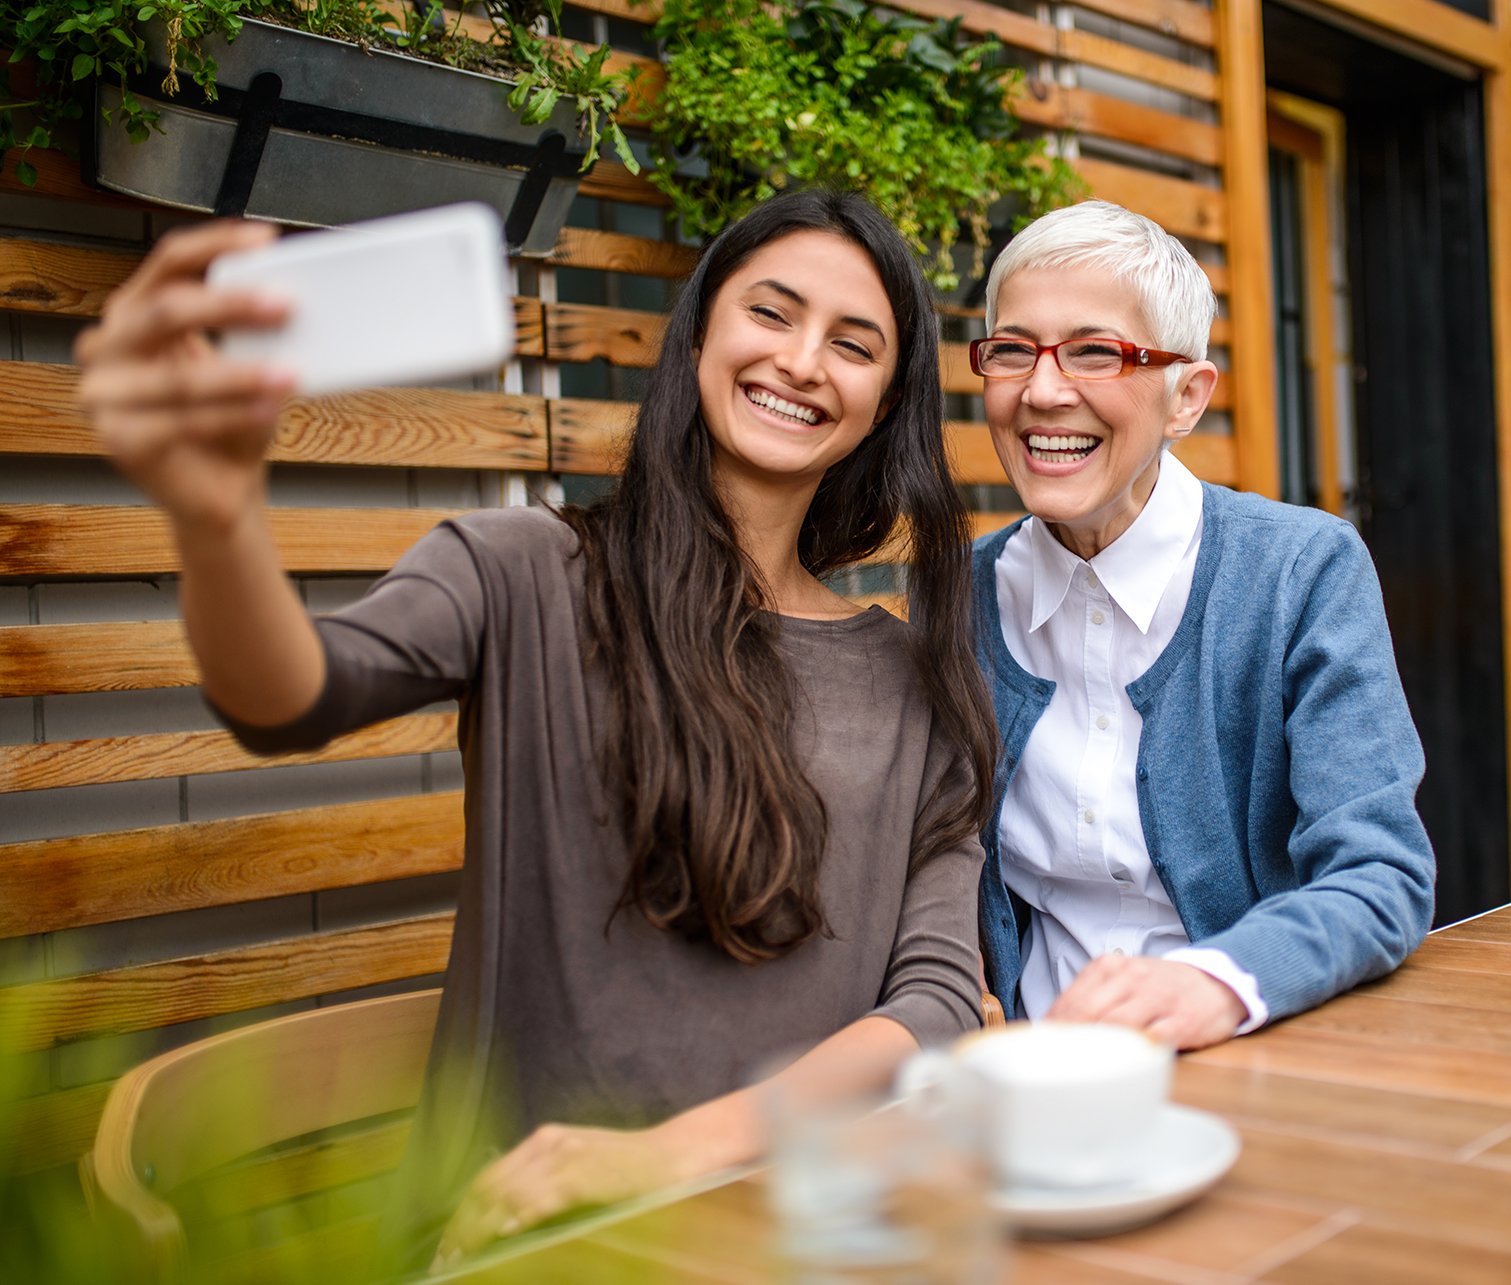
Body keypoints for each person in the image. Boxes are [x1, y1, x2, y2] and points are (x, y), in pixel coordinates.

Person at [74, 189, 996, 1272]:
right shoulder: (525, 573)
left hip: (801, 1239)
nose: (801, 361)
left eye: (854, 344)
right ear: (699, 335)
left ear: (884, 404)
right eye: (770, 313)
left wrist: (662, 1157)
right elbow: (293, 695)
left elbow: (936, 1002)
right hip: (531, 1243)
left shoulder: (910, 680)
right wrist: (215, 517)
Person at [968, 200, 1436, 1051]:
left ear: (1187, 396)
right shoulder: (959, 595)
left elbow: (1380, 875)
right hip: (1034, 1076)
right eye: (1011, 351)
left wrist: (1212, 983)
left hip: (1255, 1049)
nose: (1041, 391)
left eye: (1095, 352)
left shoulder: (1300, 571)